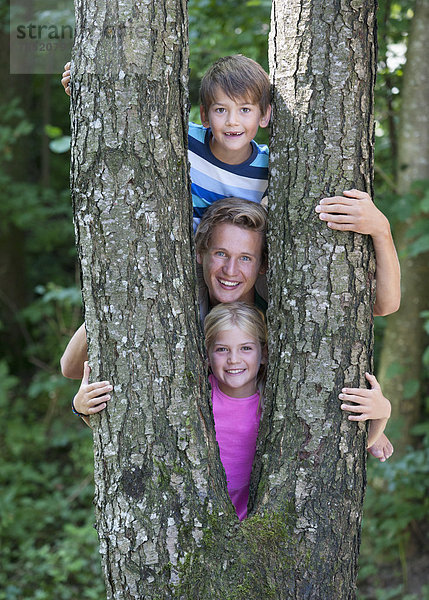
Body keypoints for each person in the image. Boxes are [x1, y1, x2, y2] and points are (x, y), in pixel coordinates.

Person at [61, 52, 401, 313]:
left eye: (245, 110)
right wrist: (84, 93)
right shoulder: (182, 143)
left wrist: (379, 227)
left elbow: (383, 305)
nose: (233, 121)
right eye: (221, 110)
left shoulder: (273, 167)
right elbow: (125, 131)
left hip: (241, 269)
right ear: (205, 115)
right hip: (188, 267)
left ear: (265, 115)